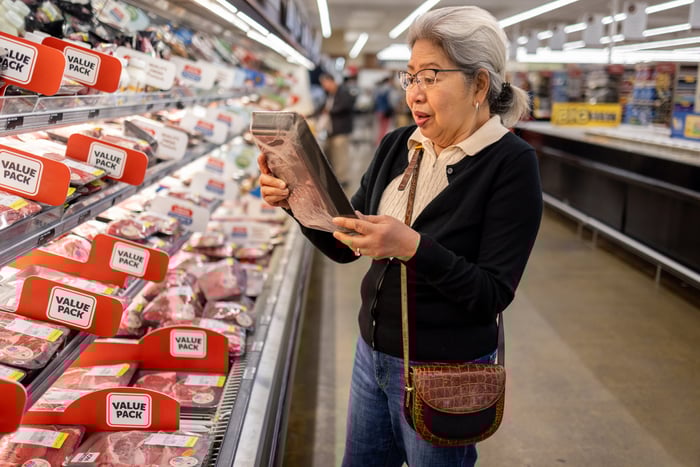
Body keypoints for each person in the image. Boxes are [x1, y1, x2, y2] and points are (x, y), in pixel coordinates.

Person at [258, 6, 542, 466]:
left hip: (444, 373)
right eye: (410, 77)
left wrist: (412, 247)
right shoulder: (399, 145)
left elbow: (491, 293)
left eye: (431, 77)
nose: (415, 93)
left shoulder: (510, 164)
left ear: (480, 84)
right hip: (371, 357)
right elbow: (345, 242)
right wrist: (296, 198)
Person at [317, 72, 357, 188]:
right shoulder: (330, 95)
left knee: (340, 156)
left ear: (331, 81)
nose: (324, 86)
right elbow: (322, 108)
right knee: (333, 156)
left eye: (325, 83)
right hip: (331, 130)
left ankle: (342, 180)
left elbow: (346, 106)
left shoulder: (343, 92)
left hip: (341, 130)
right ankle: (336, 179)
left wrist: (330, 111)